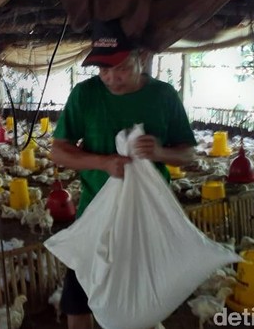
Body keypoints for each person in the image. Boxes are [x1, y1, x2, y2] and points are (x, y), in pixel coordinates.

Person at [50, 18, 197, 329]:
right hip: (94, 217)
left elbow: (189, 154)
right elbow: (58, 151)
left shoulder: (163, 96)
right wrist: (103, 163)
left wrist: (160, 152)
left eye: (120, 68)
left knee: (138, 299)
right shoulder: (85, 94)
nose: (111, 78)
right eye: (103, 69)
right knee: (79, 302)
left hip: (145, 220)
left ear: (140, 58)